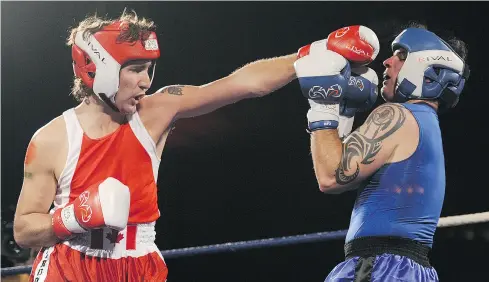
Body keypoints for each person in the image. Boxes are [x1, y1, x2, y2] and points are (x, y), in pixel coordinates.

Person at [12, 9, 301, 282]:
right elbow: (24, 230)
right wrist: (73, 217)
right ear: (99, 69)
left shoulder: (155, 112)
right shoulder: (52, 139)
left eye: (149, 69)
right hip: (71, 267)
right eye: (135, 70)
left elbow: (243, 84)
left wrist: (309, 55)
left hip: (140, 266)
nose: (145, 82)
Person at [295, 24, 469, 281]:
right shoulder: (425, 124)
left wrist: (323, 102)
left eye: (400, 55)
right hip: (410, 269)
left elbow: (331, 177)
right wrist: (343, 113)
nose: (386, 62)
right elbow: (340, 166)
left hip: (380, 266)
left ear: (425, 65)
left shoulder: (395, 115)